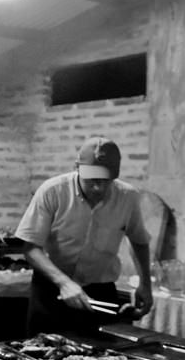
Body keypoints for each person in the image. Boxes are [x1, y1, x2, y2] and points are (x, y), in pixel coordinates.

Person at [16, 135, 153, 336]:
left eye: (106, 181)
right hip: (52, 290)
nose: (99, 188)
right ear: (77, 168)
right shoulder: (53, 191)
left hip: (100, 290)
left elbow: (139, 241)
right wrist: (64, 283)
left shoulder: (128, 197)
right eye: (93, 180)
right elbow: (30, 247)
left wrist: (145, 284)